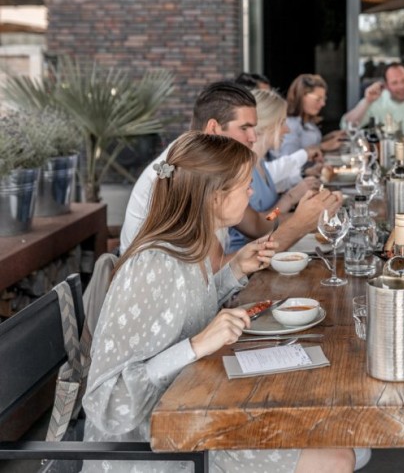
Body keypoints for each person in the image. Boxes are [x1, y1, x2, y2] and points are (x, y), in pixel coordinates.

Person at [83, 132, 355, 473]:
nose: (251, 192)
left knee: (334, 438)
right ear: (215, 197)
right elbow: (107, 403)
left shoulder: (191, 246)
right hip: (158, 447)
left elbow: (187, 312)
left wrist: (234, 272)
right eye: (245, 185)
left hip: (190, 414)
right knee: (336, 457)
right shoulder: (152, 266)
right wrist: (196, 346)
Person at [121, 81, 340, 266]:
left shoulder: (218, 164)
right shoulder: (186, 173)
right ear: (214, 129)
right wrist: (300, 220)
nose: (253, 137)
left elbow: (260, 220)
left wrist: (295, 206)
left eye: (254, 127)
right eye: (244, 128)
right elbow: (214, 272)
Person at [227, 89, 321, 253]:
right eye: (282, 122)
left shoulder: (260, 163)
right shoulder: (241, 169)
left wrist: (290, 198)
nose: (288, 130)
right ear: (266, 124)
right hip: (245, 266)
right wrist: (305, 217)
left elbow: (270, 216)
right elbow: (257, 227)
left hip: (267, 254)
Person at [341, 62, 404, 137]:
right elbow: (347, 126)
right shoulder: (376, 101)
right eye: (395, 83)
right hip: (385, 160)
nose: (401, 86)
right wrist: (367, 101)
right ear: (386, 85)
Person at [278, 73, 342, 157]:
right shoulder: (290, 124)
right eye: (318, 99)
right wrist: (322, 146)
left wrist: (328, 138)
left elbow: (306, 142)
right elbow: (289, 158)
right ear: (301, 96)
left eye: (324, 99)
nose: (323, 103)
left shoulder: (307, 121)